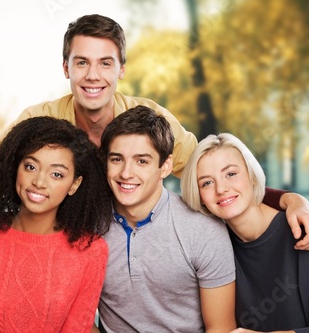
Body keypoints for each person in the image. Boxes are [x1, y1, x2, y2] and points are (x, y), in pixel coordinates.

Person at [0, 14, 309, 247]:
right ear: (66, 67)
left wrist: (288, 201)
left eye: (105, 63)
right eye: (82, 62)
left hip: (127, 239)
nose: (93, 74)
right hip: (56, 239)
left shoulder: (150, 119)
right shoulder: (37, 119)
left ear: (120, 69)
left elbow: (215, 175)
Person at [96, 105, 237, 332]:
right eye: (116, 159)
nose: (126, 173)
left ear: (166, 166)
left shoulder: (203, 230)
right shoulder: (87, 225)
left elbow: (221, 329)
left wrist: (289, 199)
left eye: (142, 161)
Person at [0, 116, 112, 332]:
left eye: (56, 174)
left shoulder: (91, 251)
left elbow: (77, 327)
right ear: (17, 168)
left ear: (74, 184)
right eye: (31, 167)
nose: (39, 182)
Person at [181, 133, 309, 333]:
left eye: (231, 174)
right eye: (207, 183)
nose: (221, 189)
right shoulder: (212, 245)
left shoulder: (301, 231)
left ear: (251, 175)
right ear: (199, 197)